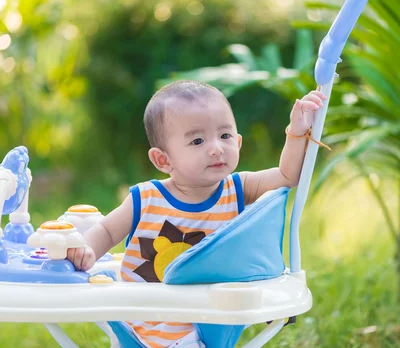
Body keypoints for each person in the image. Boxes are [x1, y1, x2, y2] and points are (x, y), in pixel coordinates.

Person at [67, 80, 326, 347]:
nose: (216, 147)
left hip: (207, 321)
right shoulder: (146, 199)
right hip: (142, 320)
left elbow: (287, 175)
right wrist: (87, 250)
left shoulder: (238, 188)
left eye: (225, 136)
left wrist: (296, 132)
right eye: (198, 140)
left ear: (238, 141)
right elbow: (107, 230)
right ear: (163, 160)